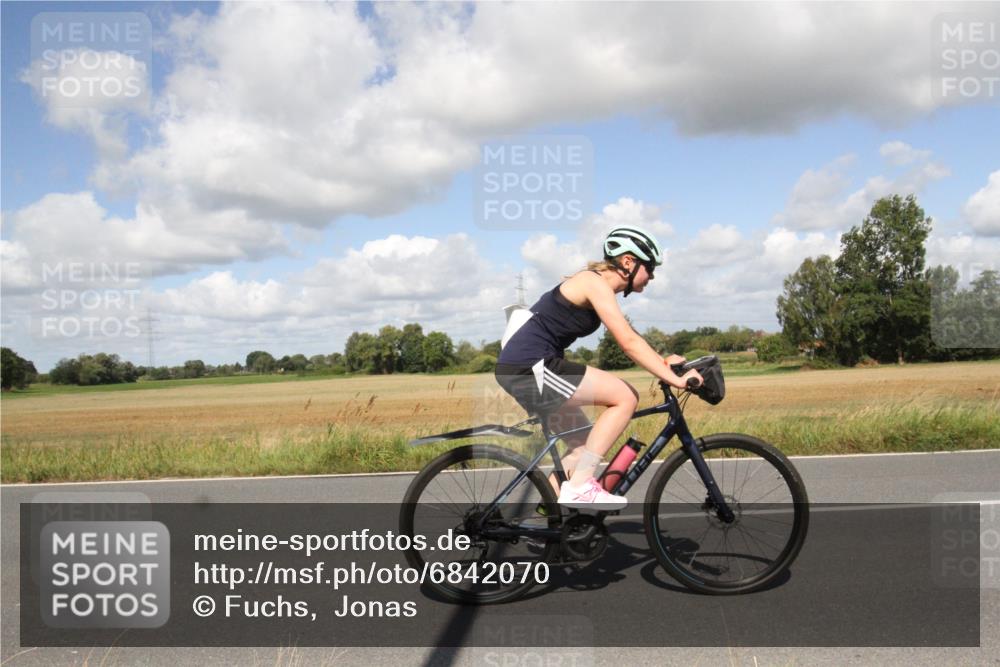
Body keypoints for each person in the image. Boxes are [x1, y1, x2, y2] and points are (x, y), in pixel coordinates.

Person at [494, 225, 703, 510]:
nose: (652, 276)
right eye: (650, 268)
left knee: (581, 444)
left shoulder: (598, 287)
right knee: (625, 397)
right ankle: (580, 486)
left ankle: (546, 519)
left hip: (527, 365)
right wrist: (676, 380)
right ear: (628, 262)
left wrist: (664, 362)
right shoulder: (594, 283)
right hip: (530, 366)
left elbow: (631, 336)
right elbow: (627, 342)